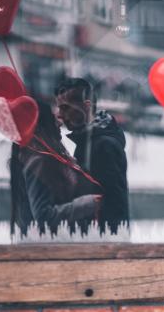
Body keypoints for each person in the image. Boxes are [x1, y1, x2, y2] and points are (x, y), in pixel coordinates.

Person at [10, 101, 103, 236]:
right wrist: (88, 203)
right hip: (50, 248)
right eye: (53, 119)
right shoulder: (40, 162)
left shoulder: (43, 158)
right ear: (43, 125)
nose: (60, 123)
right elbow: (43, 216)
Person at [54, 78, 129, 234]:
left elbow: (114, 204)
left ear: (86, 107)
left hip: (101, 244)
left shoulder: (104, 145)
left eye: (65, 108)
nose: (60, 115)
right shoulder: (88, 142)